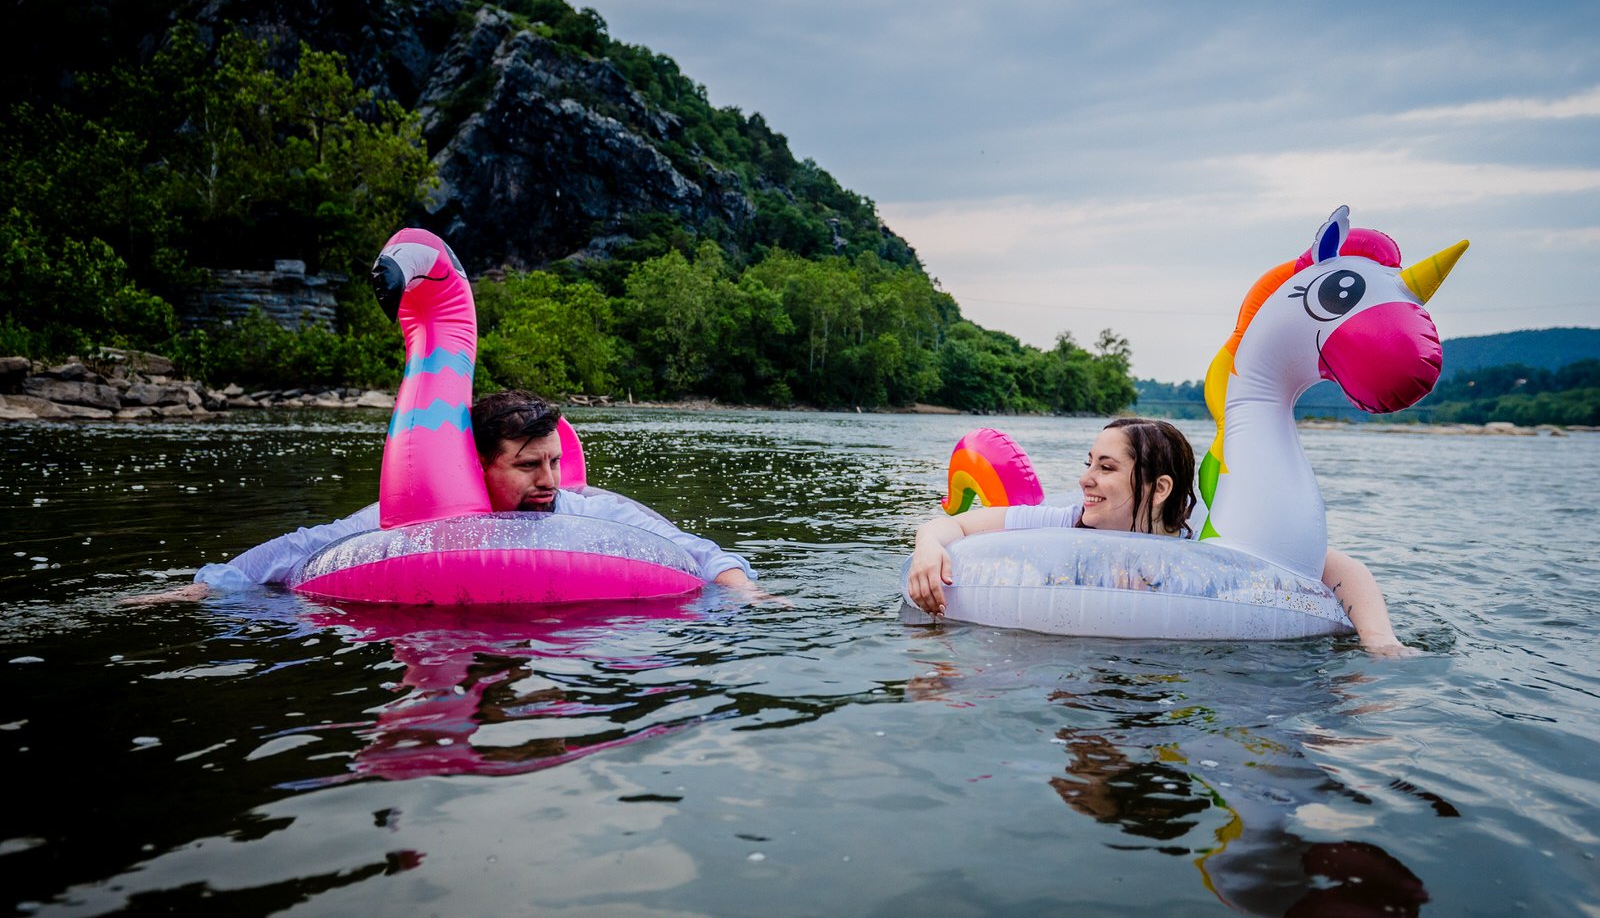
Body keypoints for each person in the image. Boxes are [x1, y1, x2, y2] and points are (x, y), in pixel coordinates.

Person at [122, 391, 757, 604]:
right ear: (480, 468)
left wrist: (749, 595)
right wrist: (203, 589)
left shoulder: (592, 510)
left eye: (554, 461)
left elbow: (693, 550)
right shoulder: (419, 522)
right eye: (528, 466)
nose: (549, 480)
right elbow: (304, 548)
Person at [906, 417, 1410, 655]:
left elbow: (1338, 568)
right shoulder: (1064, 522)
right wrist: (929, 546)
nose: (1085, 478)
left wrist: (1379, 641)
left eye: (1106, 468)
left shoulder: (1205, 538)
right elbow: (955, 524)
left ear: (1158, 486)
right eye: (1088, 463)